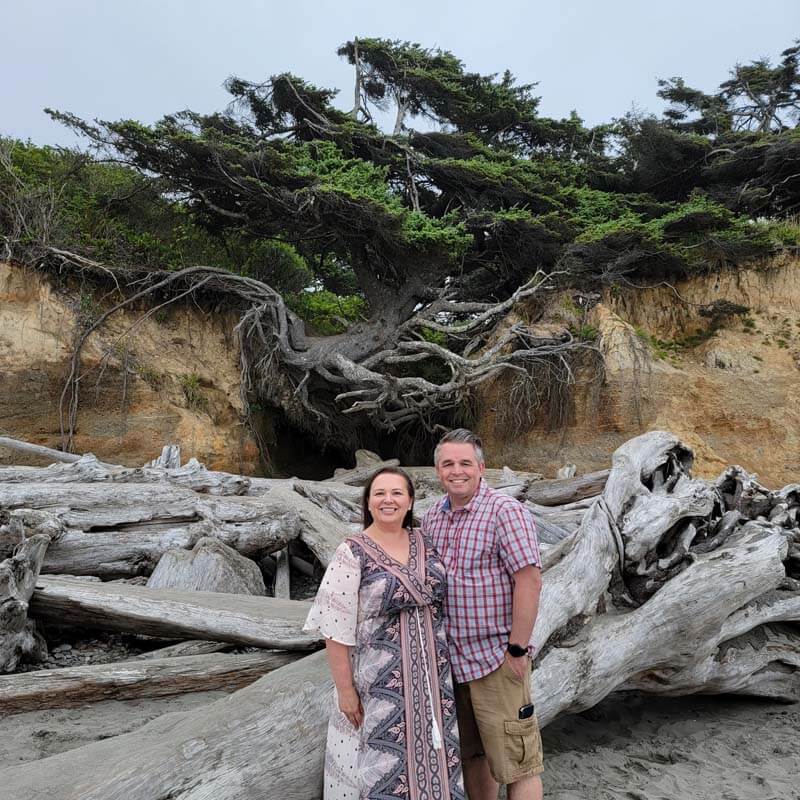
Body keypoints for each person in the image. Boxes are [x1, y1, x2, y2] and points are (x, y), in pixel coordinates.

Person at [304, 466, 465, 800]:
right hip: (378, 683)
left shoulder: (426, 542)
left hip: (434, 680)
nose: (388, 500)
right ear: (368, 502)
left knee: (436, 758)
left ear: (409, 502)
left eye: (396, 493)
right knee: (383, 765)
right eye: (379, 493)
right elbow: (334, 628)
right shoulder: (352, 551)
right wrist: (345, 690)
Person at [422, 429, 544, 800]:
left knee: (519, 764)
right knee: (472, 756)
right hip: (451, 663)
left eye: (464, 463)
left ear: (481, 467)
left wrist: (518, 649)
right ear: (438, 470)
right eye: (447, 464)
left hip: (496, 660)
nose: (456, 471)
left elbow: (529, 580)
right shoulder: (432, 518)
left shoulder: (505, 512)